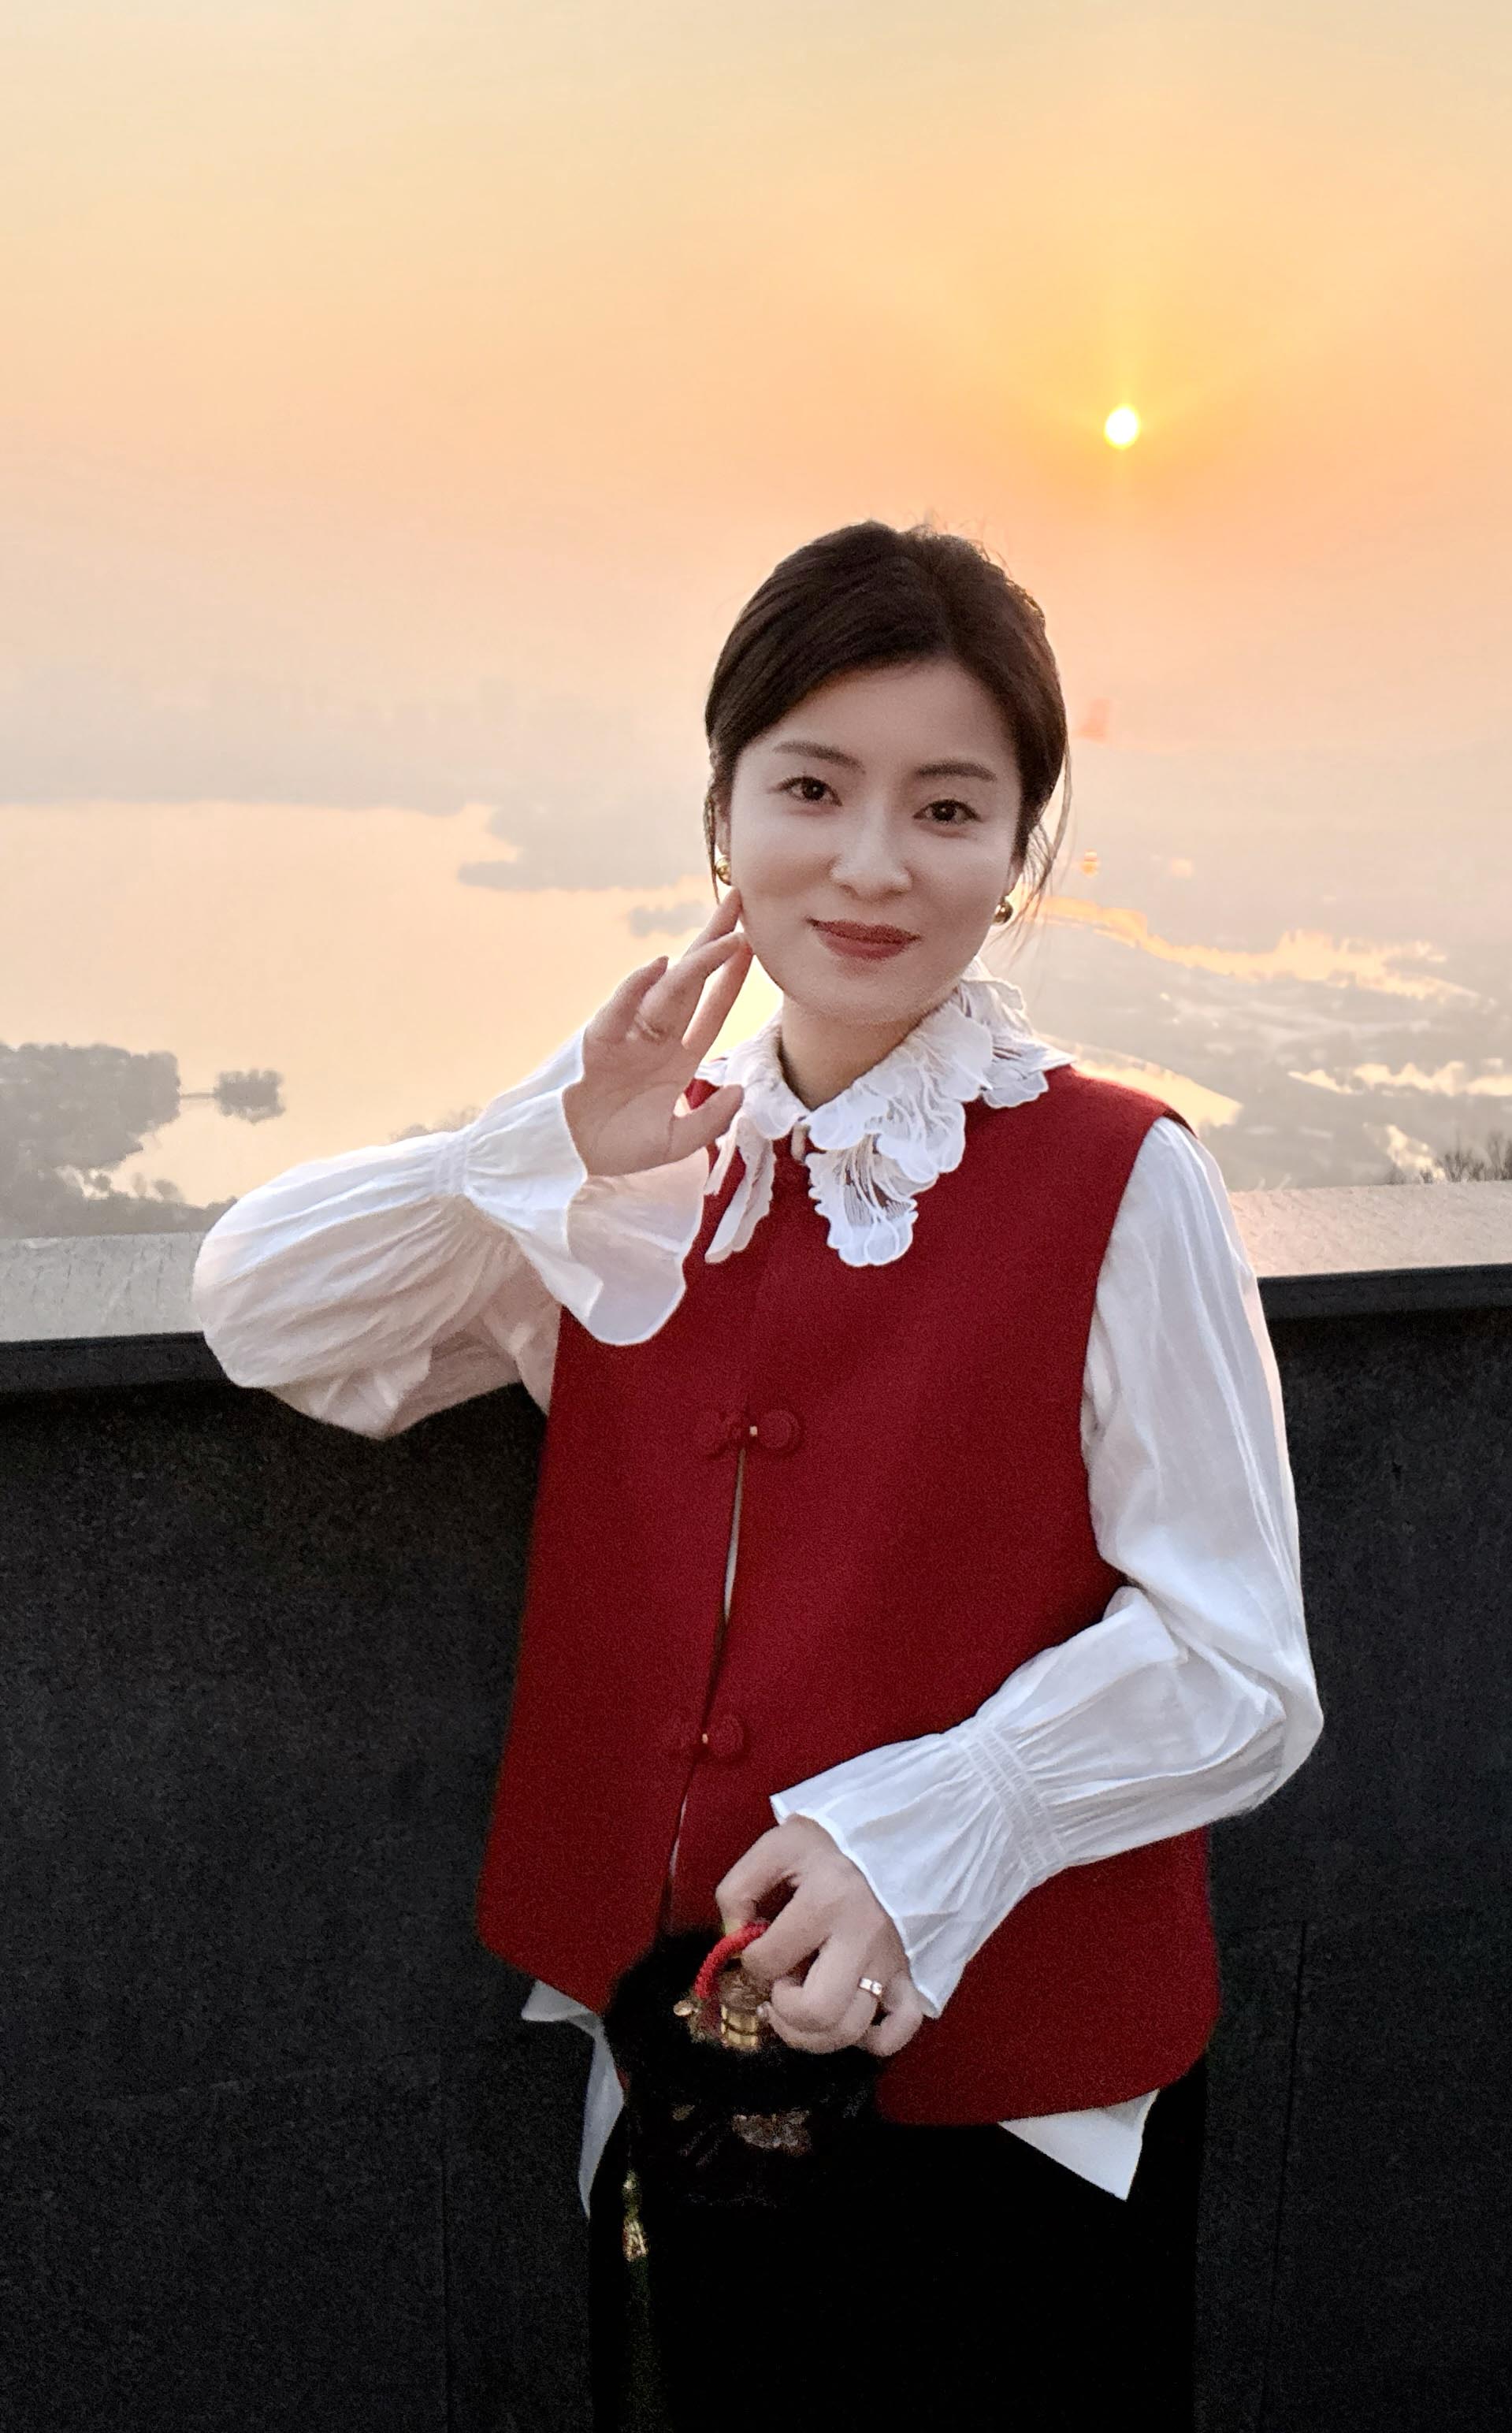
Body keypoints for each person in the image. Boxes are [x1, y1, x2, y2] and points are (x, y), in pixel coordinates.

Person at [191, 519, 1321, 2432]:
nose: (874, 862)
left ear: (1020, 851)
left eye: (948, 806)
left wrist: (935, 1820)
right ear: (721, 812)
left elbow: (1241, 1663)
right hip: (686, 2084)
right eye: (812, 786)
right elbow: (267, 1311)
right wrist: (542, 1141)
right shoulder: (634, 1174)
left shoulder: (1125, 1178)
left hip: (1026, 2127)